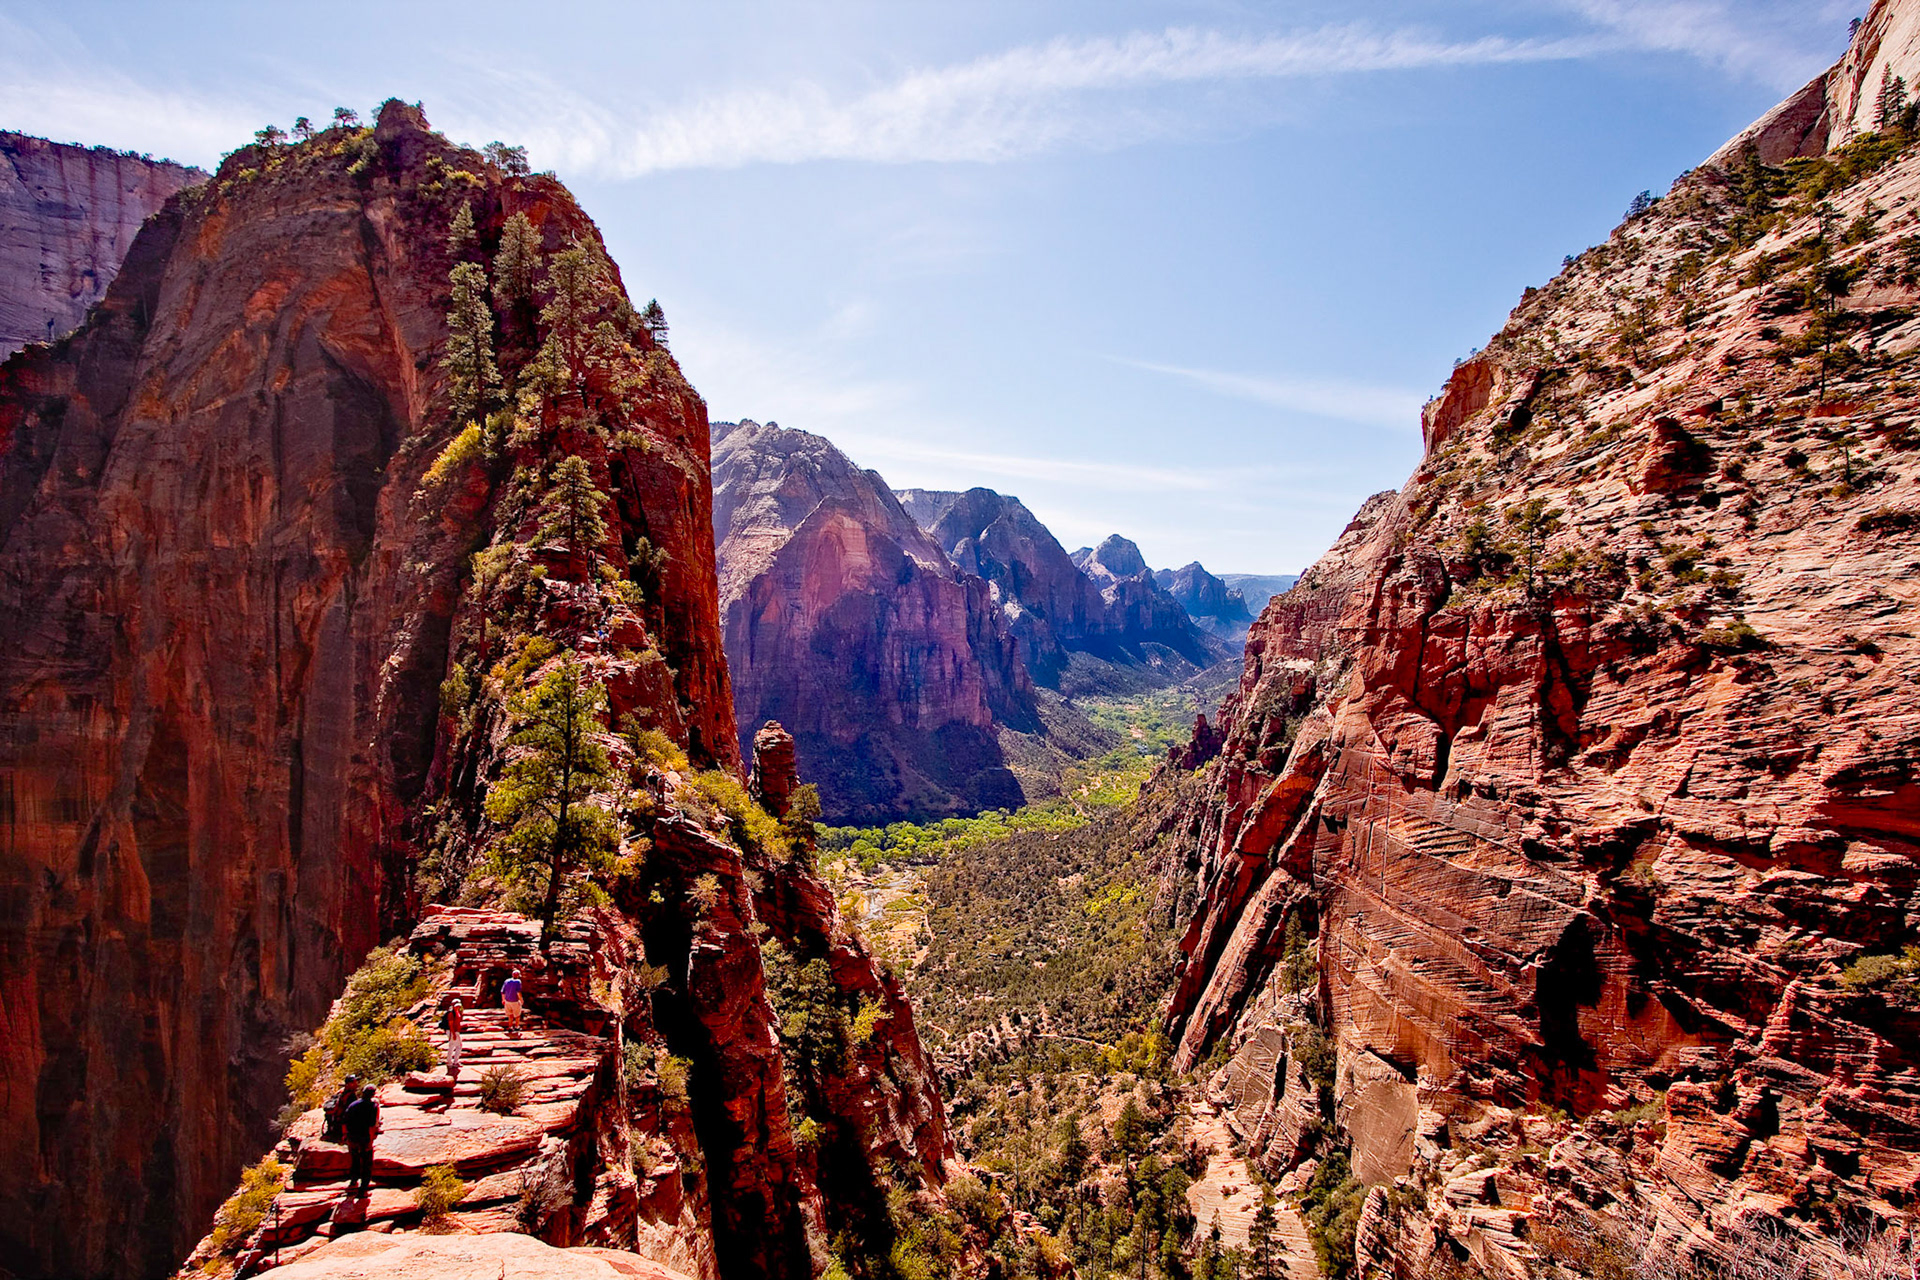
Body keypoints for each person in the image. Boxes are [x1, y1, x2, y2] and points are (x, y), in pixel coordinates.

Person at [343, 1085, 380, 1195]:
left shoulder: (353, 1105)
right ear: (373, 1095)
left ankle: (353, 1181)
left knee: (355, 1160)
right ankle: (363, 1190)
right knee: (366, 1164)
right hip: (364, 1138)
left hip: (352, 1137)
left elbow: (344, 1121)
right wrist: (371, 1140)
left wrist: (345, 1135)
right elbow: (372, 1126)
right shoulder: (373, 1106)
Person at [321, 1074, 360, 1143]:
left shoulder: (342, 1092)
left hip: (337, 1122)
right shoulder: (351, 1096)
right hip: (342, 1125)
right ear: (350, 1084)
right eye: (355, 1082)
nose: (357, 1084)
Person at [443, 998, 465, 1091]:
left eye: (459, 1005)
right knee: (455, 1046)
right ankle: (451, 1062)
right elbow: (451, 1024)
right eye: (456, 1006)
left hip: (456, 1031)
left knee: (456, 1046)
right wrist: (453, 1034)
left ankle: (454, 1062)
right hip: (452, 1031)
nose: (458, 1007)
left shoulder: (457, 1012)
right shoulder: (451, 1013)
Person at [501, 969, 524, 1037]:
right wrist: (521, 1000)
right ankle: (517, 1027)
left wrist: (503, 1000)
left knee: (510, 1015)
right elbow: (518, 992)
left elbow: (503, 991)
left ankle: (510, 1027)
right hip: (515, 1001)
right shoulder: (518, 981)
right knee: (517, 1015)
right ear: (518, 975)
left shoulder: (506, 981)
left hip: (507, 1001)